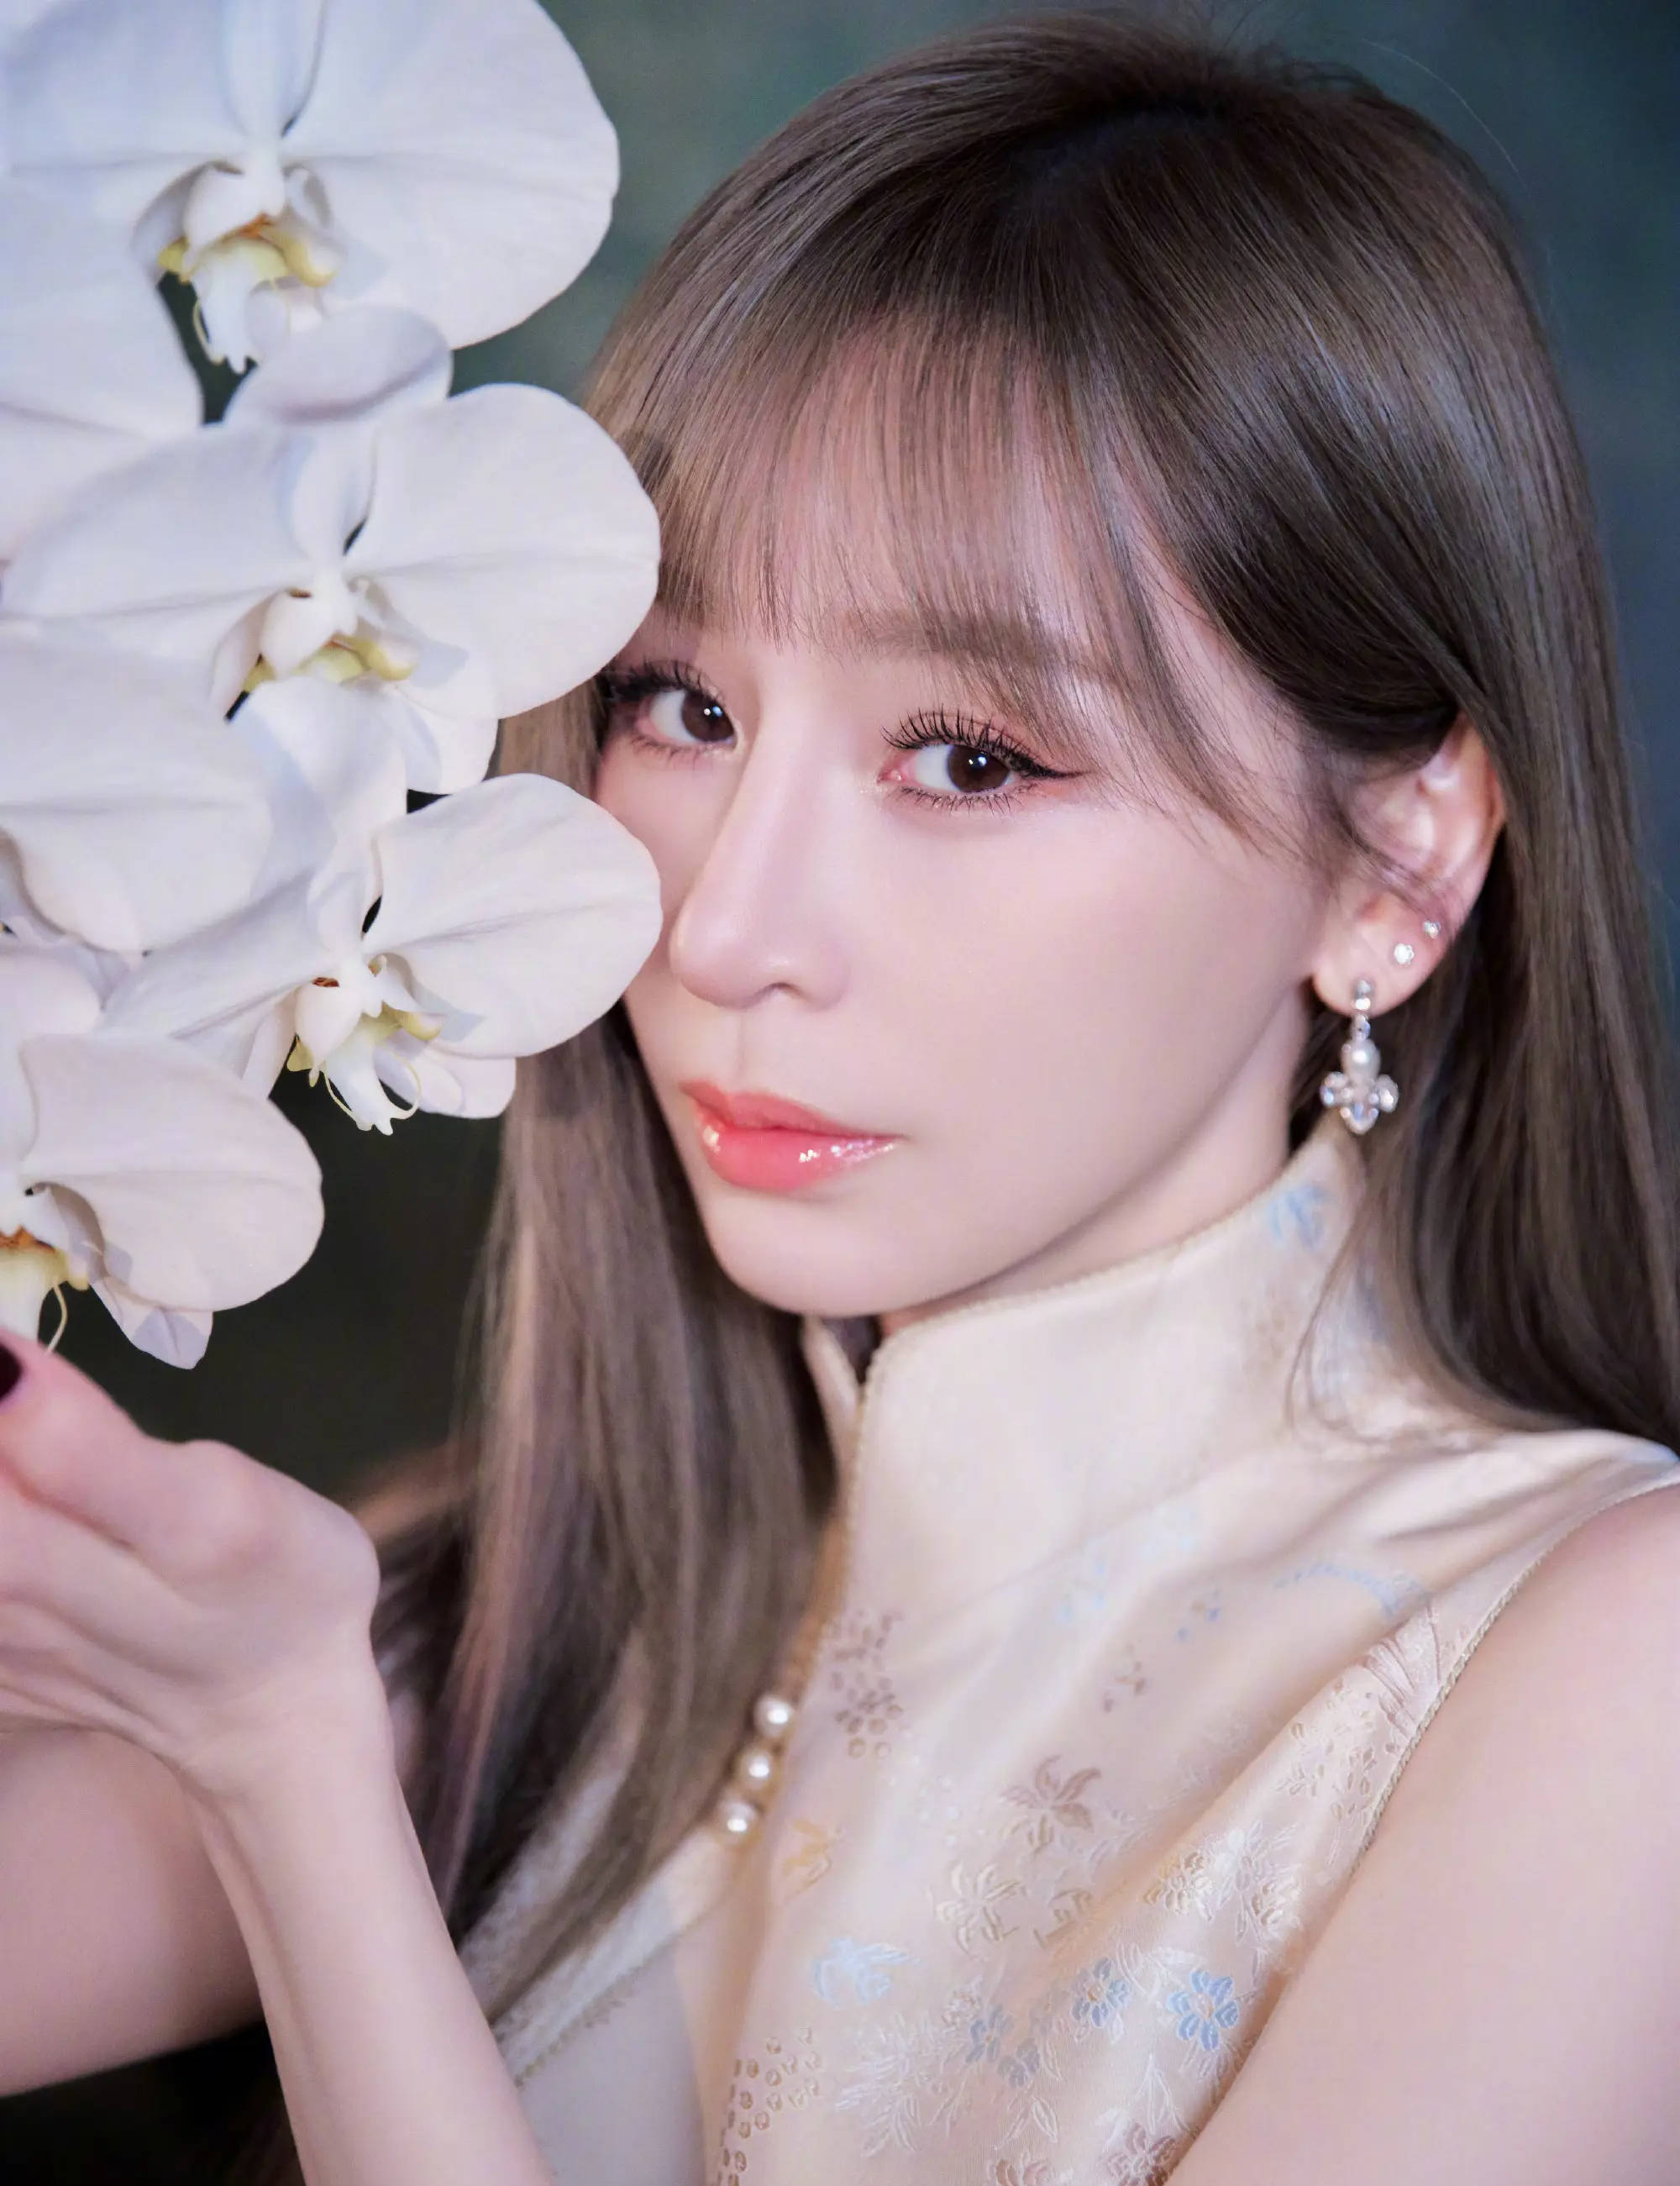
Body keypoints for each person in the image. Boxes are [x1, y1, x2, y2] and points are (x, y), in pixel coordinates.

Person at [3, 13, 1679, 2184]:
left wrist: (289, 1779)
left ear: (1400, 866)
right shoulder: (512, 1604)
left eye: (970, 758)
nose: (721, 930)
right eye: (679, 706)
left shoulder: (1600, 1659)